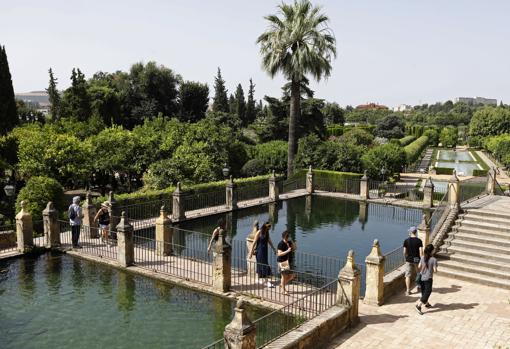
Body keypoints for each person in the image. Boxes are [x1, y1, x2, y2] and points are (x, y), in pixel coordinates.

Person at [249, 222, 277, 288]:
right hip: (260, 251)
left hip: (265, 250)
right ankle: (266, 281)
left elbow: (269, 241)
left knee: (261, 264)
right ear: (265, 227)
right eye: (268, 228)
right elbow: (254, 243)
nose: (269, 230)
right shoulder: (259, 232)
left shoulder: (267, 232)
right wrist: (250, 253)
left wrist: (274, 249)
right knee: (264, 265)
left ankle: (258, 279)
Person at [415, 244, 438, 315]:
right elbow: (435, 270)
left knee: (424, 291)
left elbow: (419, 266)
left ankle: (426, 303)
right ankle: (418, 305)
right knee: (428, 291)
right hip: (428, 278)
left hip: (422, 277)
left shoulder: (422, 257)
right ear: (431, 251)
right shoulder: (434, 259)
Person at [403, 226, 423, 295]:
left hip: (409, 259)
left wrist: (406, 257)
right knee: (418, 273)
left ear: (411, 232)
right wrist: (421, 260)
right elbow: (421, 251)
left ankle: (408, 291)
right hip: (416, 259)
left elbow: (404, 252)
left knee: (407, 275)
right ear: (416, 232)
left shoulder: (406, 241)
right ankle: (419, 286)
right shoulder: (419, 241)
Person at [277, 230, 296, 295]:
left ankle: (282, 284)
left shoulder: (289, 242)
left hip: (290, 261)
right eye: (289, 236)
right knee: (284, 276)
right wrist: (287, 251)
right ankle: (283, 290)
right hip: (283, 261)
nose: (290, 237)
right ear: (286, 237)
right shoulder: (281, 244)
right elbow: (279, 254)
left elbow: (294, 249)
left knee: (292, 275)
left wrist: (292, 242)